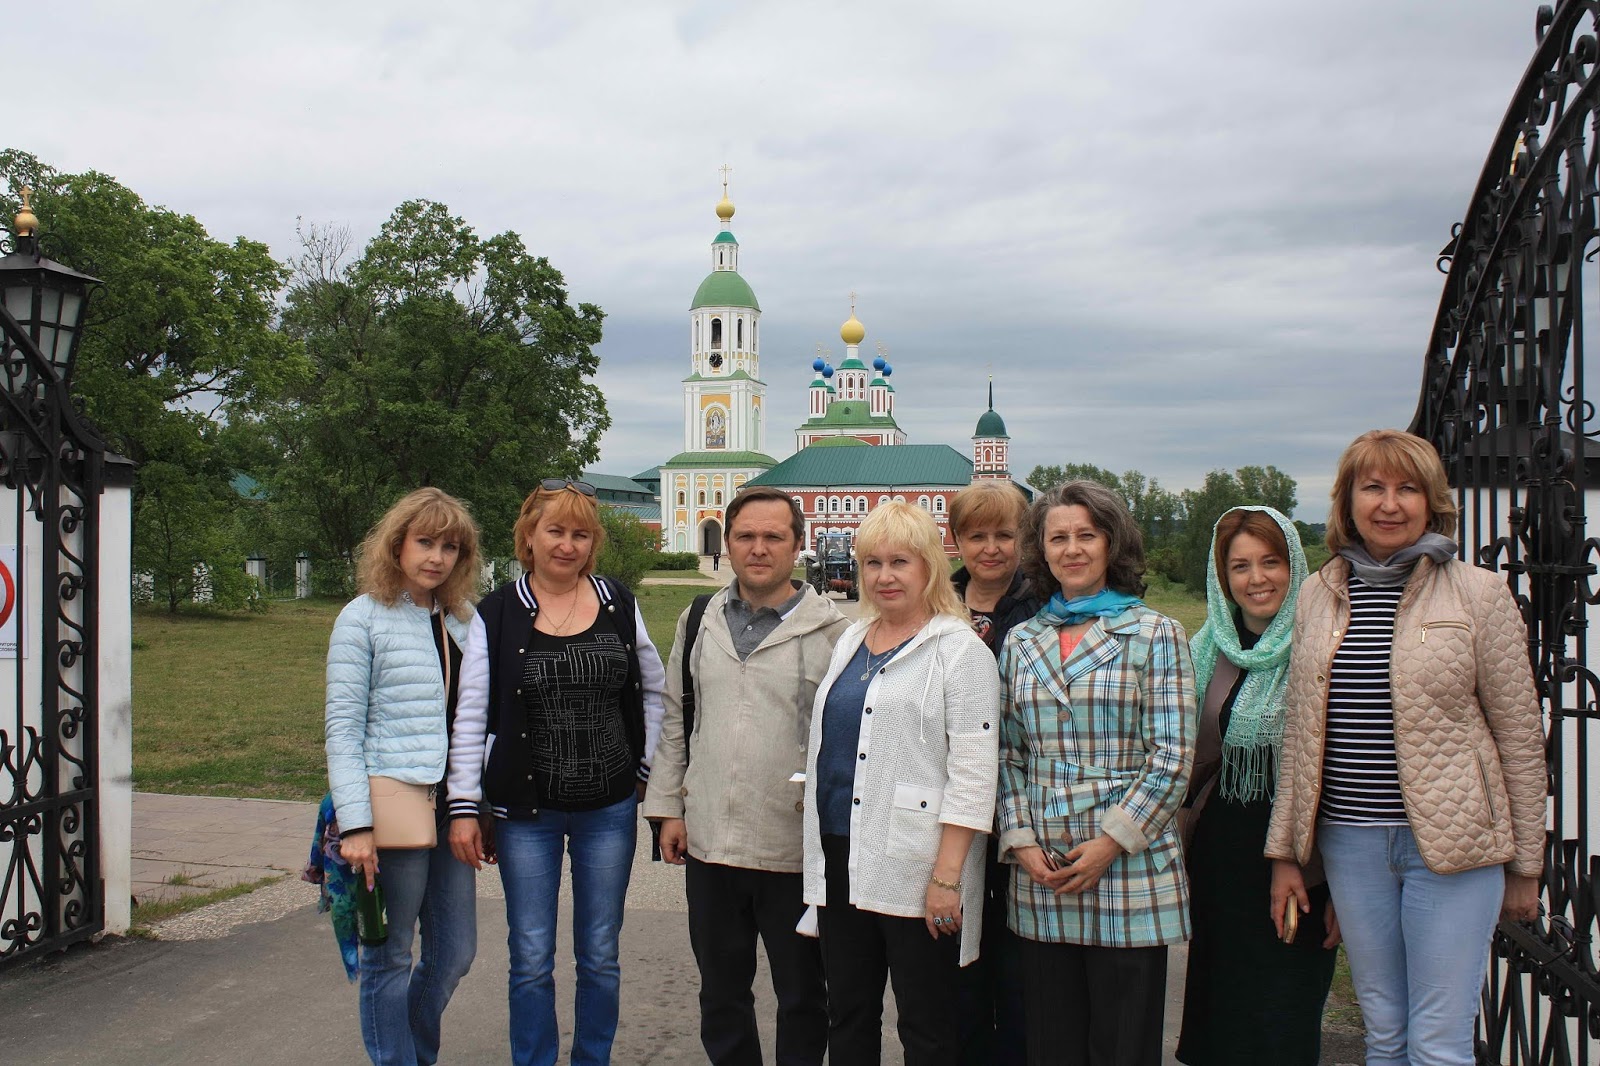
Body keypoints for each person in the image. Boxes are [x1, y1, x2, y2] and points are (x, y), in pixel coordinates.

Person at [1266, 430, 1546, 1066]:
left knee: (1438, 1041)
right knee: (1385, 1031)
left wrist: (1526, 865)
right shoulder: (1319, 593)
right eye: (1373, 488)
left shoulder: (1477, 593)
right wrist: (1286, 853)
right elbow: (1300, 734)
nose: (1389, 504)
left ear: (1431, 501)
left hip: (1453, 847)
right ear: (1348, 502)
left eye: (1407, 488)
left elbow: (1521, 738)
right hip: (1353, 841)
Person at [446, 478, 667, 1066]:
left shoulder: (617, 601)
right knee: (531, 954)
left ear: (592, 542)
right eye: (555, 531)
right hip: (526, 813)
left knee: (599, 952)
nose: (567, 545)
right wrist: (466, 807)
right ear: (528, 536)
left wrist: (646, 768)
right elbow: (472, 715)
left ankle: (592, 1058)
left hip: (608, 808)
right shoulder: (496, 613)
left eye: (580, 534)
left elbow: (654, 689)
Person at [644, 486, 849, 1065]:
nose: (758, 549)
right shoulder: (700, 618)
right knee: (722, 993)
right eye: (745, 537)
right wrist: (669, 809)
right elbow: (677, 714)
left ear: (798, 545)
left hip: (792, 851)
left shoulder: (832, 632)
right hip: (711, 843)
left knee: (803, 996)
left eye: (773, 537)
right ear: (728, 543)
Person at [997, 480, 1196, 1066]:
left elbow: (1172, 757)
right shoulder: (1023, 641)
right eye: (1058, 537)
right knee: (1051, 1045)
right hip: (1046, 873)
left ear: (1112, 544)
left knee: (1122, 1046)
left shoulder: (1155, 634)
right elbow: (1007, 754)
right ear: (1042, 549)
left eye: (1087, 535)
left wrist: (1111, 843)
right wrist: (1021, 840)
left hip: (1127, 870)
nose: (1072, 549)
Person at [801, 501, 1000, 1066]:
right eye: (872, 563)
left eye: (900, 562)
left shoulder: (959, 651)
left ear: (929, 569)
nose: (884, 576)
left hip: (921, 869)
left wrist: (946, 880)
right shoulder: (852, 640)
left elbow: (974, 773)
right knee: (850, 1015)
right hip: (843, 858)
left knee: (927, 1024)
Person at [324, 487, 482, 1066]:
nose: (436, 557)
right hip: (391, 805)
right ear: (397, 545)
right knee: (389, 955)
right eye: (424, 542)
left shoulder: (464, 620)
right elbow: (342, 730)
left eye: (449, 546)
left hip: (452, 806)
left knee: (456, 952)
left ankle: (415, 1052)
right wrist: (356, 825)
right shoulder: (362, 617)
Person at [1175, 507, 1338, 1066]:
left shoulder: (1322, 645)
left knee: (1281, 1015)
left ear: (1295, 564)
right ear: (1223, 576)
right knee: (1219, 1012)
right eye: (1239, 566)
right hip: (1221, 861)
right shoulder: (1206, 648)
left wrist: (1335, 884)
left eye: (1271, 562)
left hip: (1300, 859)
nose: (1256, 578)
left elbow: (1340, 771)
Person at [948, 480, 1039, 1066]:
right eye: (976, 535)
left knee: (1017, 959)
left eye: (1004, 535)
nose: (991, 548)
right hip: (951, 803)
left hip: (1020, 798)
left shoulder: (1040, 609)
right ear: (955, 541)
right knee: (954, 960)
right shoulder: (936, 604)